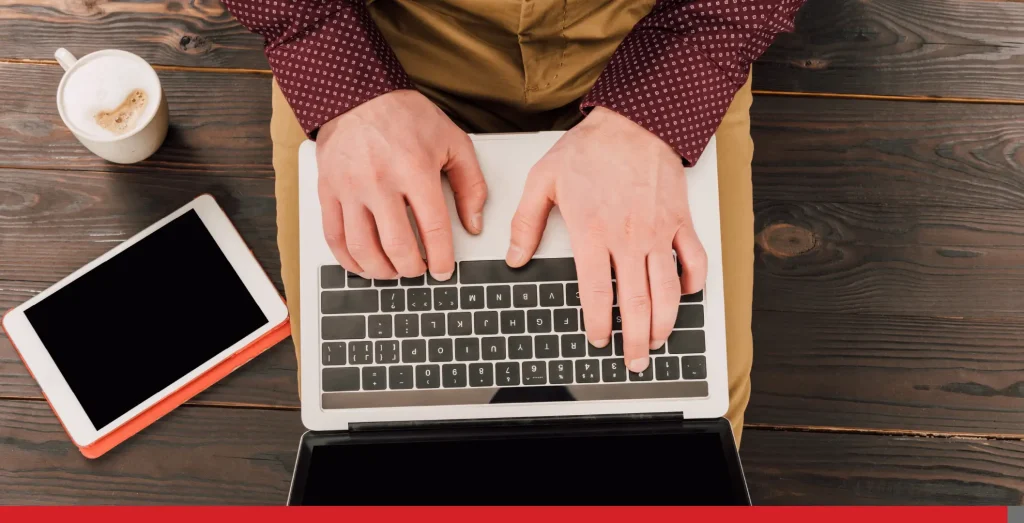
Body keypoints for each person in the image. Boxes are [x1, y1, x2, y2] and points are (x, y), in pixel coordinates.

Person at [222, 0, 805, 443]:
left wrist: (652, 113)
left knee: (690, 424)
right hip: (380, 35)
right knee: (364, 418)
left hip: (659, 33)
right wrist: (341, 77)